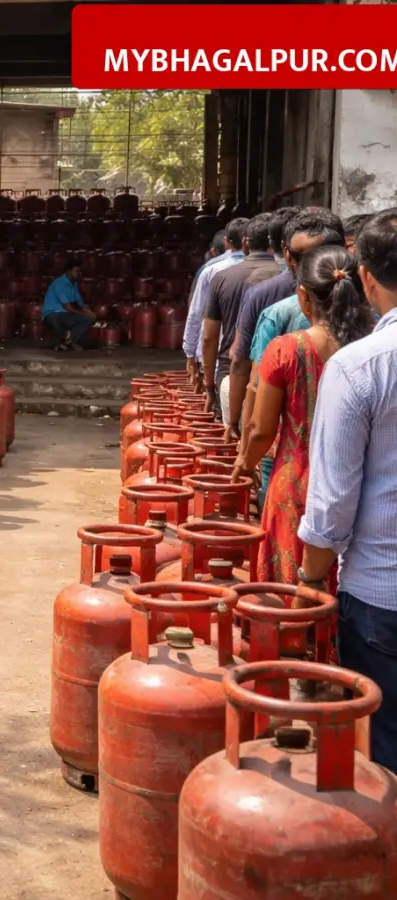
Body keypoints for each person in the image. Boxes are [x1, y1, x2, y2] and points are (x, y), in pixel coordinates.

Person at [298, 211, 397, 770]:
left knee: (383, 744)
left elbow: (332, 500)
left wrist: (311, 579)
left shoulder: (360, 367)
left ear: (365, 277)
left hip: (383, 593)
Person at [232, 245, 372, 589]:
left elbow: (260, 430)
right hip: (363, 484)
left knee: (290, 594)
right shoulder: (372, 347)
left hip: (296, 483)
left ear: (303, 296)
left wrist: (244, 466)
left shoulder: (286, 350)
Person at [233, 212, 345, 503]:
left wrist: (245, 458)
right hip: (354, 472)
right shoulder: (374, 324)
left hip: (290, 462)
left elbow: (256, 391)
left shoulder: (280, 320)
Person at [225, 208, 328, 440]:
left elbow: (252, 379)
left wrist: (242, 443)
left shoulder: (275, 312)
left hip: (285, 436)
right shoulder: (369, 316)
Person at [203, 213, 282, 420]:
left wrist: (209, 385)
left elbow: (209, 337)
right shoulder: (288, 279)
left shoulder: (222, 278)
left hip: (230, 371)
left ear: (245, 243)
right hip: (277, 375)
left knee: (231, 439)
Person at [184, 217, 248, 383]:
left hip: (220, 356)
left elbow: (197, 314)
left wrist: (191, 353)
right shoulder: (272, 271)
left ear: (226, 242)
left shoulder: (211, 270)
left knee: (219, 403)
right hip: (254, 359)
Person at [41, 257, 94, 351]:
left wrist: (89, 312)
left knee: (87, 318)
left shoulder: (74, 285)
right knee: (58, 320)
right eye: (76, 271)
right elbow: (68, 308)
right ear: (69, 271)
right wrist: (84, 313)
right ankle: (61, 342)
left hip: (65, 314)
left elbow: (80, 304)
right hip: (52, 314)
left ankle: (70, 341)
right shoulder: (59, 283)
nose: (78, 273)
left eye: (79, 271)